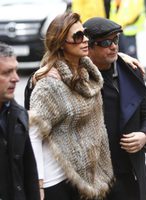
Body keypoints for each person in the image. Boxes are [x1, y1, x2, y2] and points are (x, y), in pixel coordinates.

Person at [28, 12, 114, 200]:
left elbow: (108, 56)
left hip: (86, 176)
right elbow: (33, 134)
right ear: (61, 43)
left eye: (85, 34)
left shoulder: (88, 76)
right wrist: (39, 183)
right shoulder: (49, 84)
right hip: (57, 180)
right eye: (77, 36)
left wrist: (123, 57)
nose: (85, 40)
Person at [83, 17, 146, 200]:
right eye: (106, 42)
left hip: (130, 174)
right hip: (94, 180)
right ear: (88, 48)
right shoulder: (79, 78)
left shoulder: (130, 71)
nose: (114, 46)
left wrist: (144, 136)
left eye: (115, 40)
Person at [0, 42, 40, 200]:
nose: (16, 78)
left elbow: (29, 173)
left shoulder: (18, 114)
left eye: (16, 70)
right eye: (7, 72)